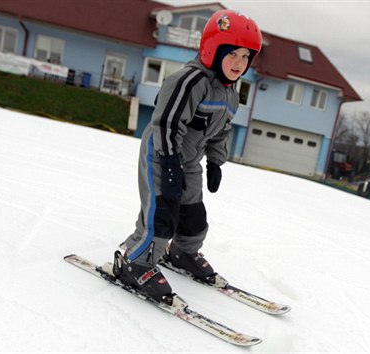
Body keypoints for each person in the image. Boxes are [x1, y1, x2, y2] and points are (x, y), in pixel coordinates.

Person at [108, 9, 262, 304]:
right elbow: (166, 121)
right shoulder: (190, 81)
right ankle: (135, 261)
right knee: (162, 211)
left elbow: (221, 131)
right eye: (233, 55)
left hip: (189, 160)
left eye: (246, 57)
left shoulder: (230, 93)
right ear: (213, 50)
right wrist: (168, 162)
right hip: (161, 153)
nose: (239, 64)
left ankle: (182, 253)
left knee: (193, 214)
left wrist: (216, 161)